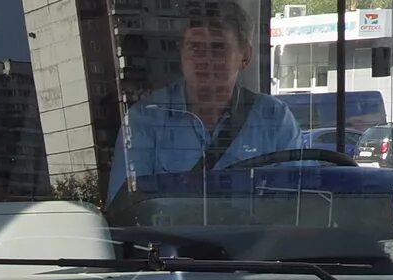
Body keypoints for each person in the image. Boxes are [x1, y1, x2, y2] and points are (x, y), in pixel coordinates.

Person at [107, 16, 302, 197]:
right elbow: (127, 210)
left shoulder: (274, 119)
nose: (204, 59)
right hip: (166, 235)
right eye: (194, 47)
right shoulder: (145, 119)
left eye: (218, 47)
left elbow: (302, 201)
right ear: (181, 54)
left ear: (245, 56)